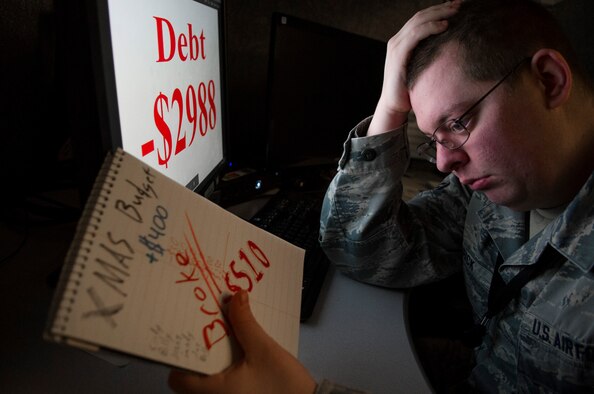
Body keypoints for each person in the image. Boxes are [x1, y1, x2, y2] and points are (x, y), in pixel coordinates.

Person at [169, 0, 594, 392]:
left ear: (549, 81)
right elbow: (363, 252)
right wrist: (389, 107)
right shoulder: (490, 197)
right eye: (434, 140)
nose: (444, 164)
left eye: (459, 123)